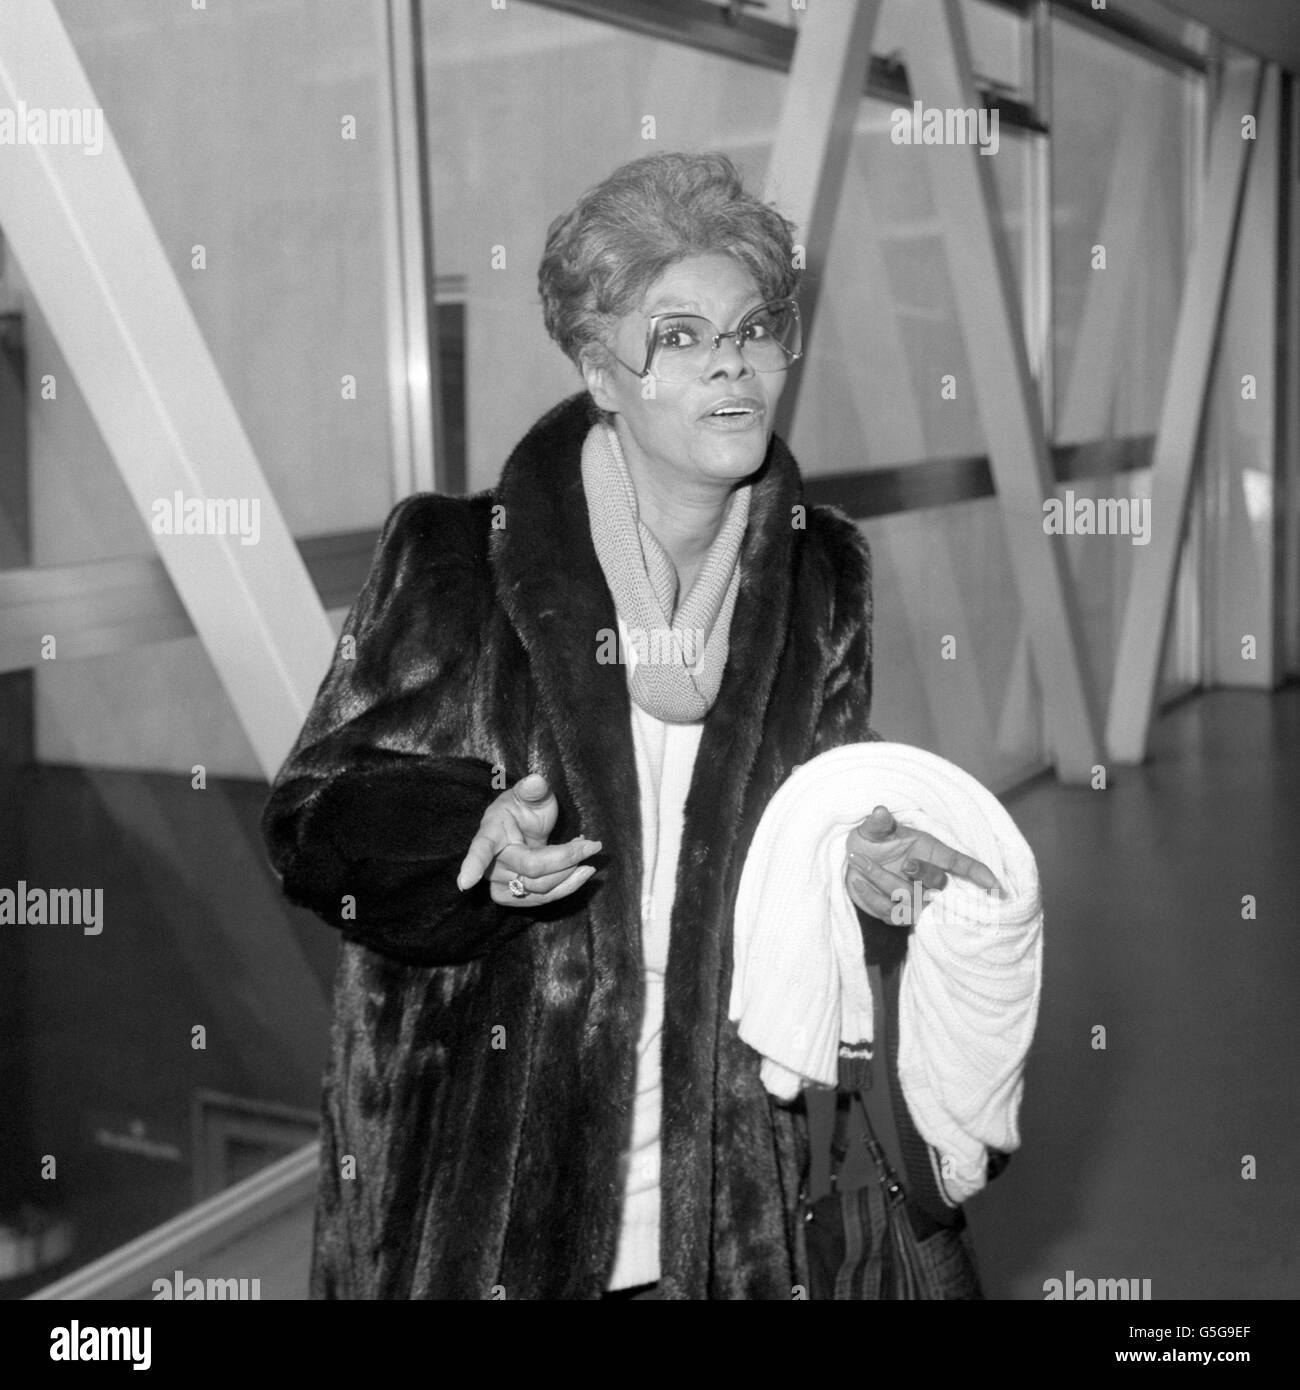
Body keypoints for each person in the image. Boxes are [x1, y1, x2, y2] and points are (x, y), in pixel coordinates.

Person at [261, 150, 999, 1300]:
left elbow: (817, 837)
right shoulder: (455, 561)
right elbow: (310, 826)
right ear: (601, 371)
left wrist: (865, 866)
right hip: (483, 1193)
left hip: (735, 1198)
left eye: (755, 330)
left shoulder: (818, 582)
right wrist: (460, 843)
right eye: (680, 337)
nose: (733, 368)